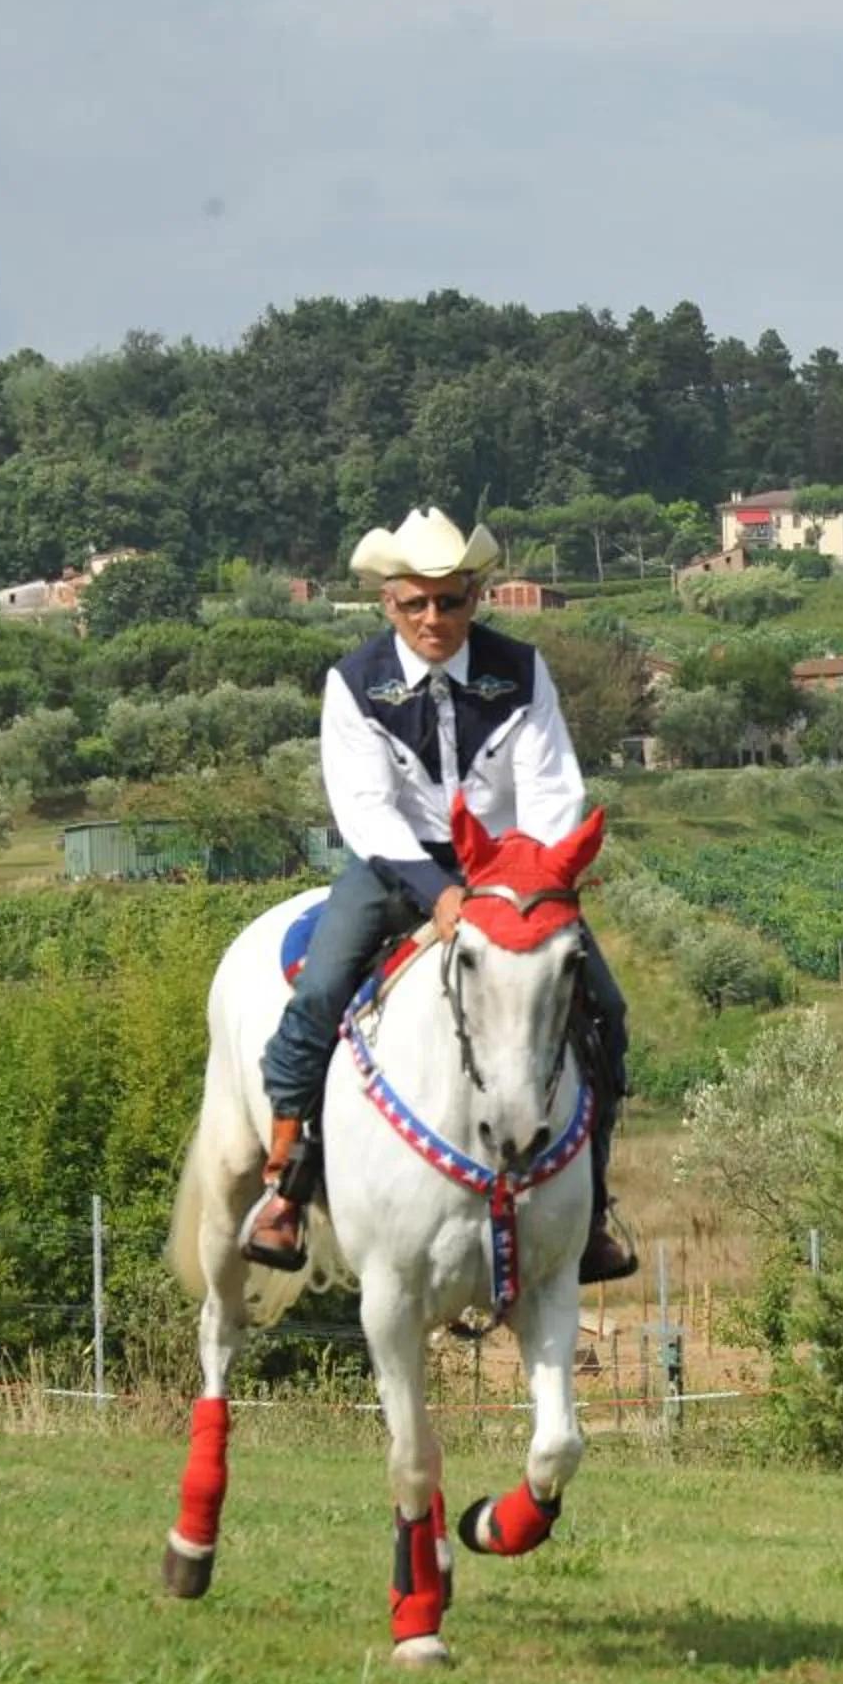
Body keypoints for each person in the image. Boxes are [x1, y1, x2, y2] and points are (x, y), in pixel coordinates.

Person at [240, 506, 635, 1282]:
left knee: (606, 1009)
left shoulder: (522, 671)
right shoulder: (353, 684)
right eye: (414, 602)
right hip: (396, 868)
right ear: (387, 602)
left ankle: (591, 1206)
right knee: (319, 991)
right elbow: (364, 809)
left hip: (507, 878)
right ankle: (286, 1182)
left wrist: (515, 881)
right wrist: (435, 889)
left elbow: (553, 790)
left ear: (474, 596)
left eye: (448, 601)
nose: (432, 618)